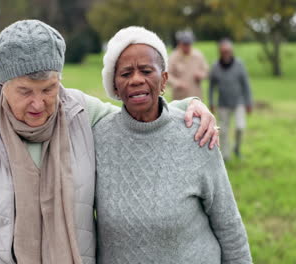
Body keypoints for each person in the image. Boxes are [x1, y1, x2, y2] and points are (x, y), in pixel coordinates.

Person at [0, 20, 220, 264]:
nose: (38, 104)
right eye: (24, 91)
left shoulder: (79, 111)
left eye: (48, 89)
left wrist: (191, 105)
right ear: (3, 85)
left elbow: (136, 115)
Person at [94, 26, 252, 264]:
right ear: (115, 86)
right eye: (125, 74)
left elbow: (228, 224)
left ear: (164, 79)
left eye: (146, 70)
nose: (136, 79)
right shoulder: (97, 138)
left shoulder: (197, 134)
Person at [209, 39, 253, 160]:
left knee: (240, 127)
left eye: (228, 51)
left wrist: (249, 102)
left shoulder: (239, 65)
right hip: (222, 103)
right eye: (223, 51)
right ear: (219, 52)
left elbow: (246, 84)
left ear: (232, 51)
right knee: (223, 131)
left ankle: (237, 149)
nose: (226, 54)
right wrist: (211, 102)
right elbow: (211, 87)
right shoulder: (215, 67)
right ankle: (225, 155)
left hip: (239, 102)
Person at [168, 30, 208, 100]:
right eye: (184, 44)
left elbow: (206, 71)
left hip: (195, 96)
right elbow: (167, 75)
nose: (187, 46)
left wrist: (201, 74)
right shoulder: (173, 57)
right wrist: (177, 83)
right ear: (180, 43)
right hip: (179, 97)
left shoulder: (198, 55)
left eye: (189, 44)